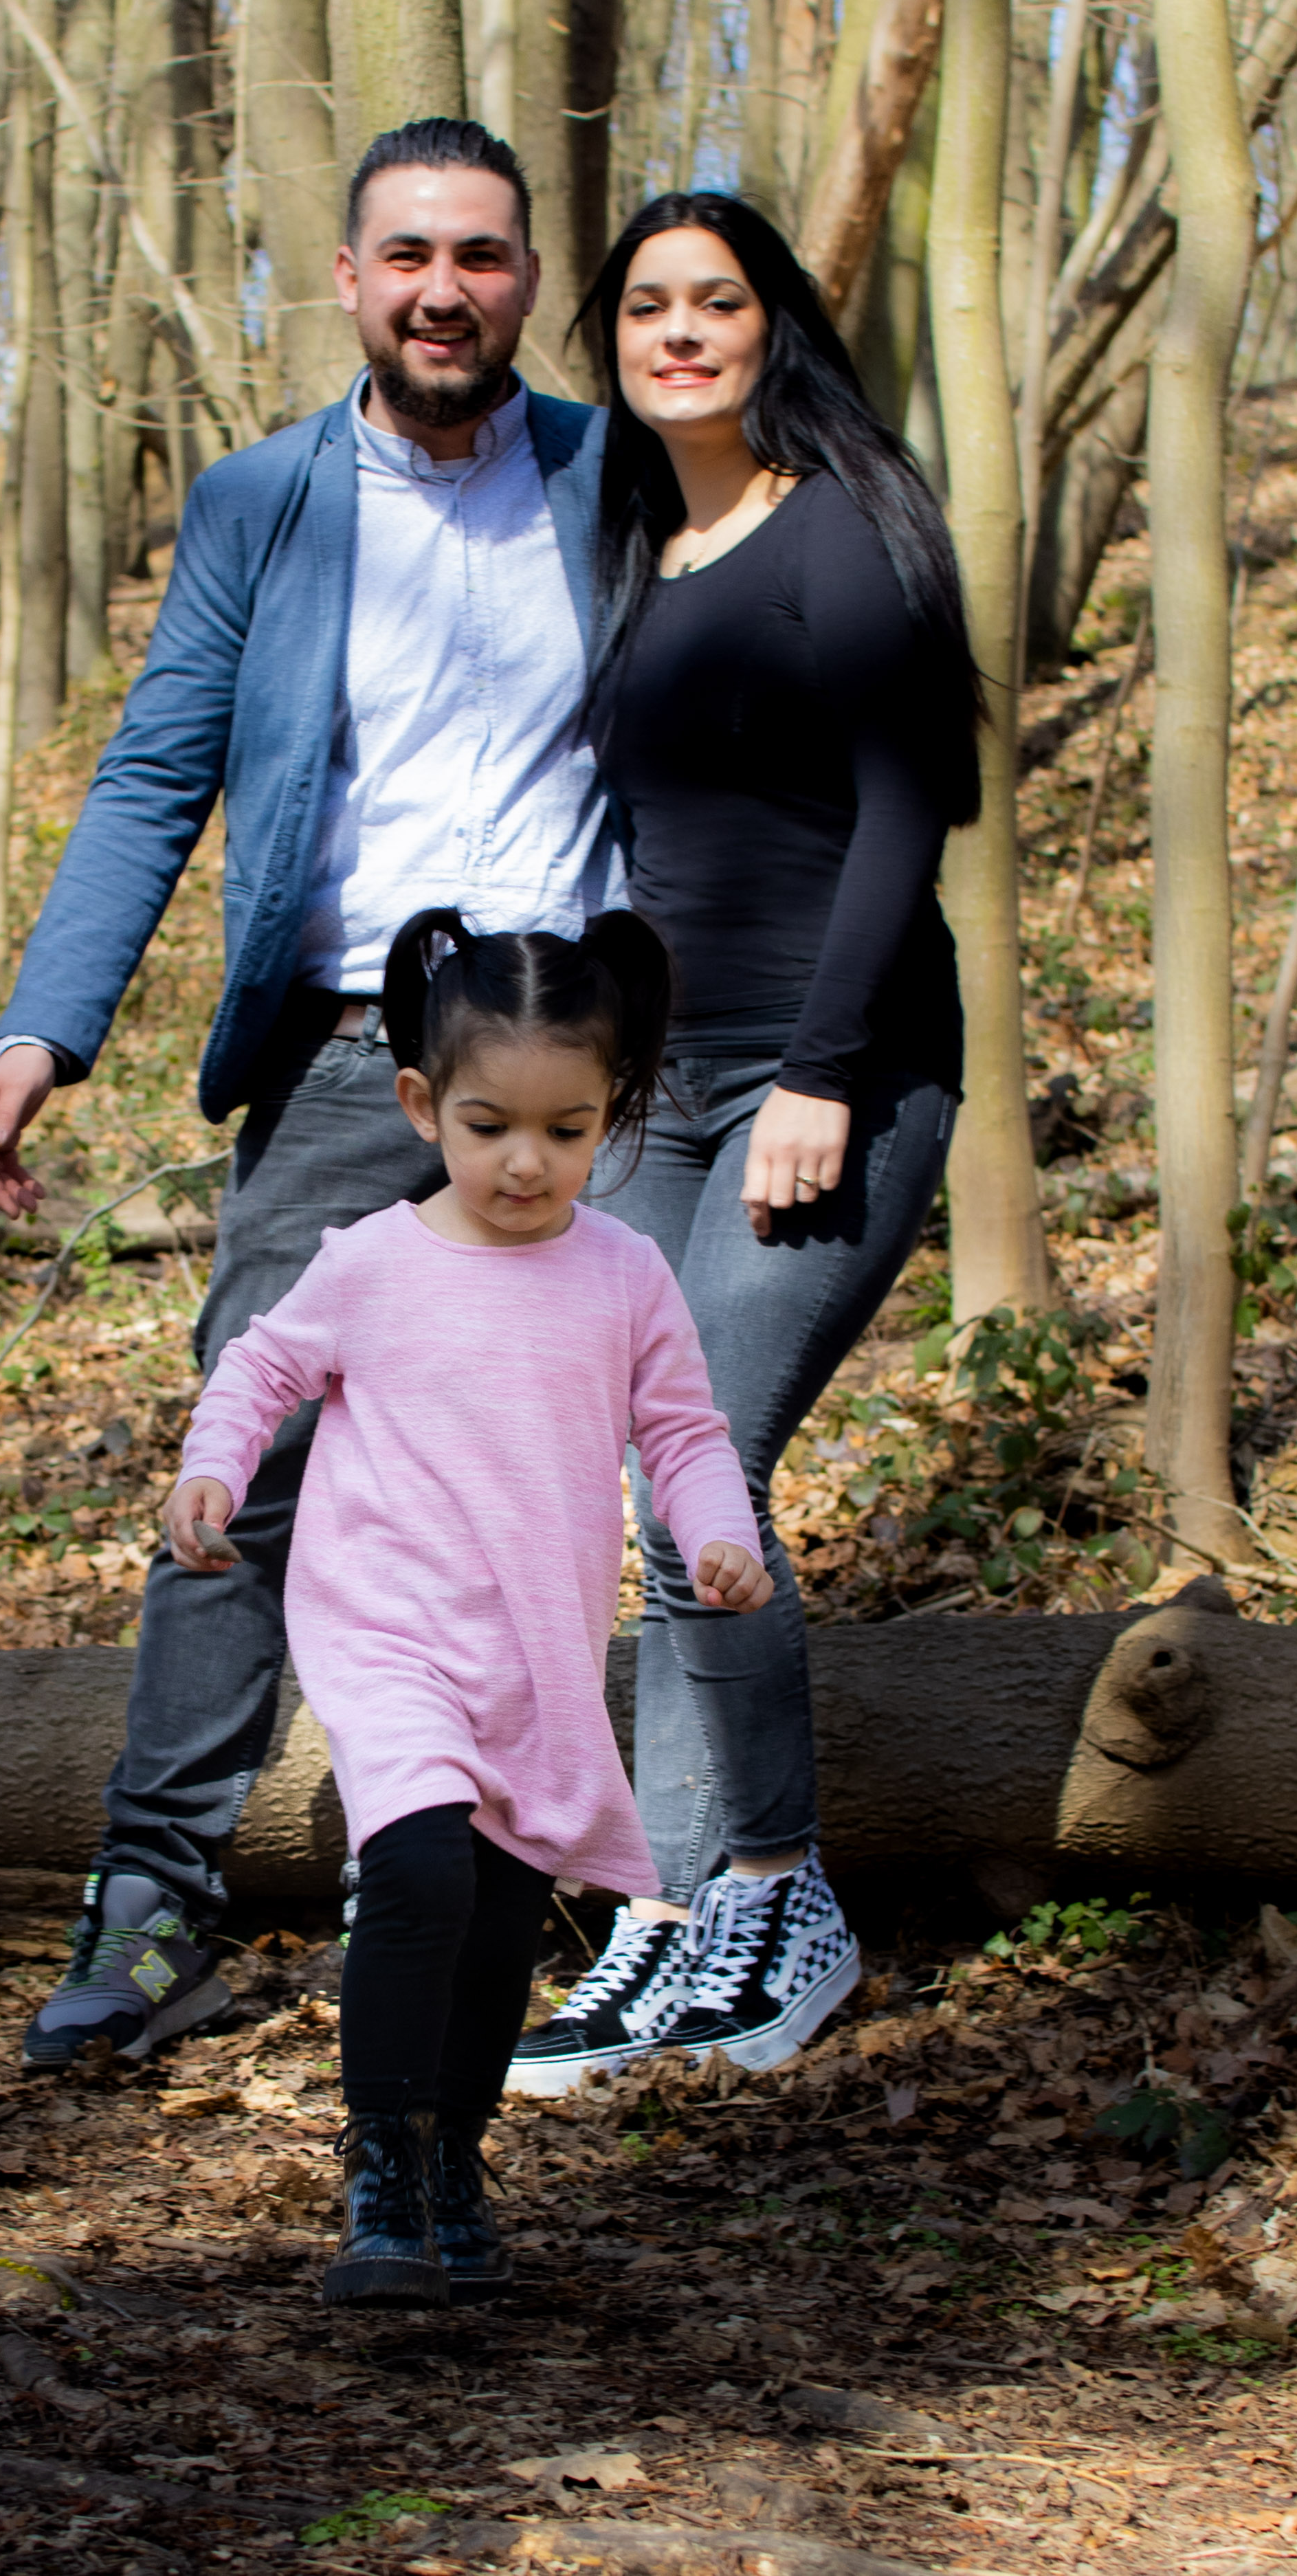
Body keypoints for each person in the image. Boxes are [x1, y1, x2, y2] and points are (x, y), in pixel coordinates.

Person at [0, 118, 628, 2075]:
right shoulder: (266, 499)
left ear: (527, 277)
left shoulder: (615, 474)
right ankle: (155, 1895)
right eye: (407, 252)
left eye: (485, 255)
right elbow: (157, 762)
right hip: (365, 1051)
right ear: (347, 279)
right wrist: (45, 1024)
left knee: (583, 1476)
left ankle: (541, 1887)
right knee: (246, 1476)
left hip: (593, 1056)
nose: (445, 287)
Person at [505, 192, 984, 2096]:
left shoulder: (843, 526)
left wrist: (821, 1068)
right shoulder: (648, 541)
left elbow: (902, 809)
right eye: (646, 304)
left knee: (697, 1457)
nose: (679, 329)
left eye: (717, 299)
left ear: (776, 324)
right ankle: (663, 1912)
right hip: (664, 1083)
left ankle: (779, 1889)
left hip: (830, 1071)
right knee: (628, 1463)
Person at [167, 910, 771, 2305]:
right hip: (387, 1630)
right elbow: (259, 1370)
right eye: (493, 1123)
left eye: (568, 1131)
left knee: (504, 1919)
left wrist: (721, 1536)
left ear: (610, 1117)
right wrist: (212, 1470)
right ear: (424, 1104)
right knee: (424, 1866)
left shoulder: (623, 1274)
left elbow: (681, 1431)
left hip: (536, 1651)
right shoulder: (376, 1258)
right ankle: (382, 2166)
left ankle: (456, 2155)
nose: (526, 1162)